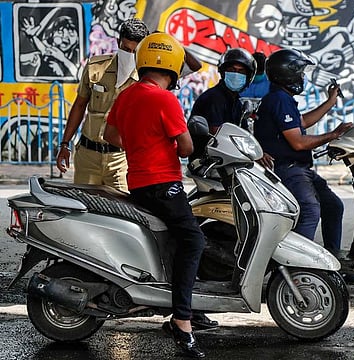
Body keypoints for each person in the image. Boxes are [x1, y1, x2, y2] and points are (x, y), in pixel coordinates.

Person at [103, 32, 206, 359]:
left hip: (139, 183)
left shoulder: (127, 95)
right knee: (194, 241)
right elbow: (187, 147)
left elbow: (109, 134)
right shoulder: (165, 99)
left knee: (174, 240)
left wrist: (138, 147)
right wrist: (168, 147)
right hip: (165, 184)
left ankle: (182, 302)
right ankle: (182, 320)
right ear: (172, 66)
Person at [253, 48, 354, 285]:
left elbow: (301, 122)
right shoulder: (278, 100)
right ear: (288, 75)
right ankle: (296, 270)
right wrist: (333, 134)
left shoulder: (281, 98)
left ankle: (332, 266)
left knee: (333, 206)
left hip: (299, 168)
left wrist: (330, 102)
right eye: (300, 73)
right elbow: (298, 141)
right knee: (310, 210)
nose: (303, 78)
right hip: (287, 168)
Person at [56, 18, 150, 192]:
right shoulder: (96, 67)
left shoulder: (145, 78)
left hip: (120, 160)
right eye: (125, 49)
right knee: (86, 211)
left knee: (124, 213)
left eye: (134, 51)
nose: (129, 54)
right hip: (88, 156)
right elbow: (79, 105)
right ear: (117, 42)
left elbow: (191, 67)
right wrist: (64, 144)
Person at [189, 47, 257, 134]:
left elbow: (244, 132)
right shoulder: (214, 98)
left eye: (241, 71)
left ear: (248, 77)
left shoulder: (236, 102)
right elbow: (217, 132)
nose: (236, 74)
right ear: (223, 72)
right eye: (232, 70)